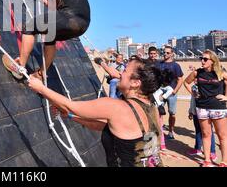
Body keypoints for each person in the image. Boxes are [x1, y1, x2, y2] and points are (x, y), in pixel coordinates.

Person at [29, 56, 163, 167]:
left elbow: (70, 105)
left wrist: (40, 88)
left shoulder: (116, 107)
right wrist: (70, 116)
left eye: (125, 71)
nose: (121, 73)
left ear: (135, 83)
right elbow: (106, 127)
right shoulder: (152, 107)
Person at [1, 0, 90, 80]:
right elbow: (54, 7)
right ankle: (41, 74)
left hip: (70, 17)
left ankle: (20, 66)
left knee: (29, 27)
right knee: (50, 36)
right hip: (82, 24)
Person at [184, 50, 227, 167]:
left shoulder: (220, 72)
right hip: (202, 107)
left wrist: (226, 96)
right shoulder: (198, 72)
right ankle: (207, 160)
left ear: (212, 61)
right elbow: (186, 82)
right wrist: (193, 93)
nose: (202, 61)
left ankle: (224, 161)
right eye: (201, 59)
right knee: (205, 134)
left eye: (205, 59)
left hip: (218, 107)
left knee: (222, 135)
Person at [157, 46, 184, 140]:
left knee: (172, 113)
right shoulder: (159, 64)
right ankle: (159, 132)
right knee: (158, 112)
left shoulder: (176, 65)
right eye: (164, 52)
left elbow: (180, 79)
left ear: (172, 54)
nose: (165, 54)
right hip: (160, 91)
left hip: (171, 92)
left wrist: (175, 90)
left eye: (168, 53)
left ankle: (171, 131)